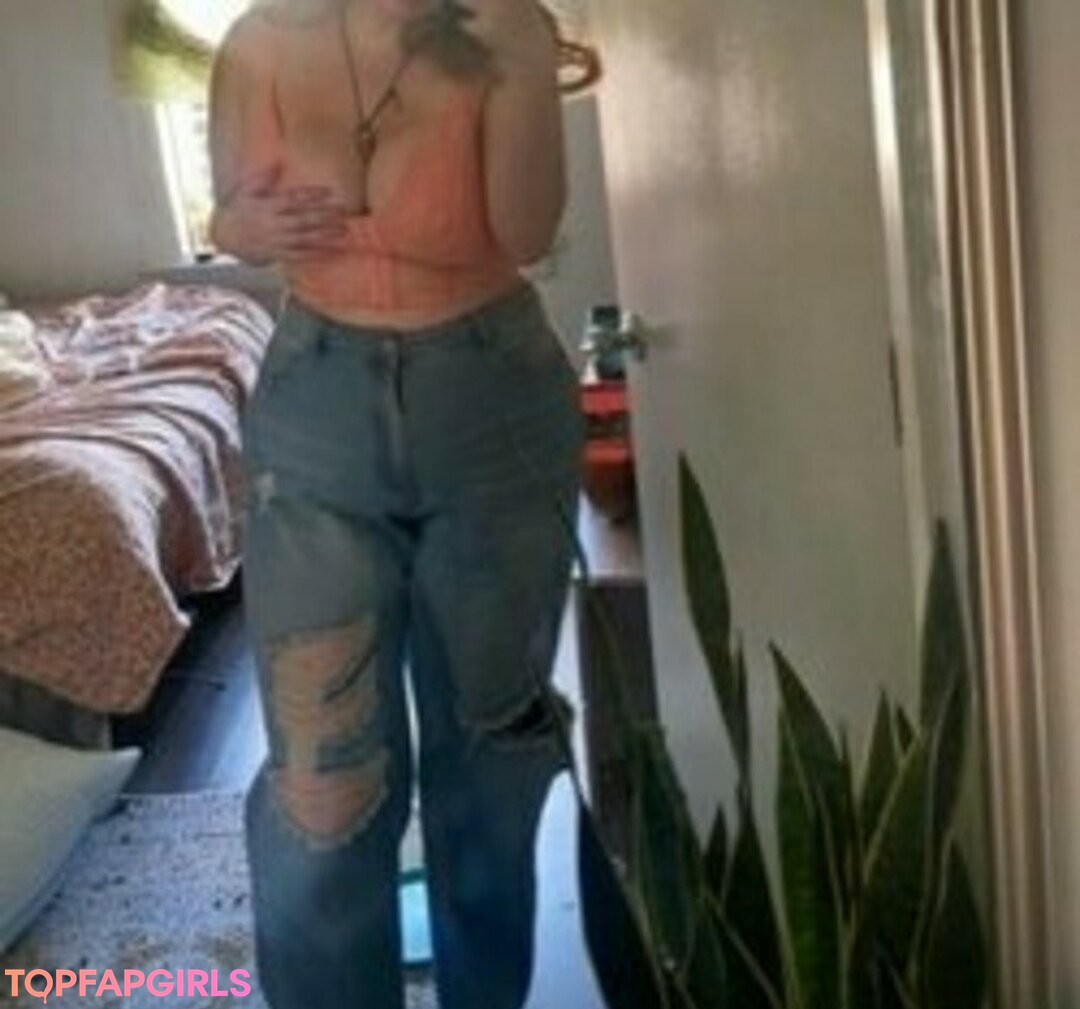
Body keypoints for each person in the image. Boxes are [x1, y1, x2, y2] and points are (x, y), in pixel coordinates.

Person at [207, 2, 593, 1008]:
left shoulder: (501, 31)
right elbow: (227, 219)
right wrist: (246, 228)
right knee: (321, 781)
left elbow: (528, 231)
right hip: (317, 409)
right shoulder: (258, 43)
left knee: (490, 769)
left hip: (493, 405)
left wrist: (519, 55)